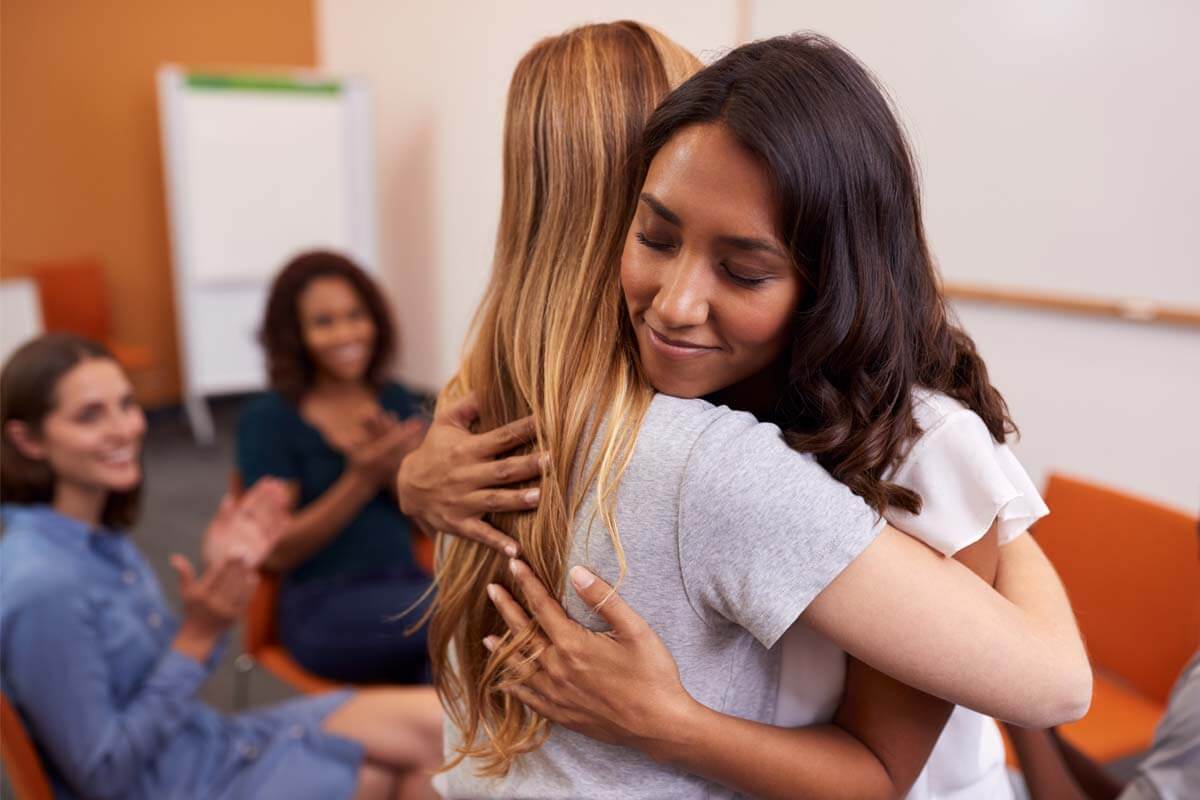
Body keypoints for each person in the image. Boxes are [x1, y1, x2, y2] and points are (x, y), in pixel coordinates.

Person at [402, 25, 1089, 800]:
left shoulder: (908, 450)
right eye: (655, 235)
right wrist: (413, 480)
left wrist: (990, 503)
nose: (676, 305)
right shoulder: (690, 392)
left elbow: (1038, 695)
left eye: (744, 270)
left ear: (827, 279)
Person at [0, 333, 442, 800]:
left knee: (444, 731)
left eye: (126, 405)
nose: (125, 428)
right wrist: (199, 635)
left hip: (209, 742)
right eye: (91, 415)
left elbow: (154, 677)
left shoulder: (100, 540)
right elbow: (105, 775)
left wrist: (218, 579)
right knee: (416, 771)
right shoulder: (44, 585)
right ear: (28, 440)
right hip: (180, 784)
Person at [236, 250, 432, 684]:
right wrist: (361, 478)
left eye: (355, 315)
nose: (345, 333)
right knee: (470, 616)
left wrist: (405, 477)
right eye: (324, 322)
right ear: (294, 335)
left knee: (454, 669)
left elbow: (429, 524)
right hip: (324, 607)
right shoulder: (270, 419)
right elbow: (276, 548)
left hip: (408, 588)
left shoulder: (395, 399)